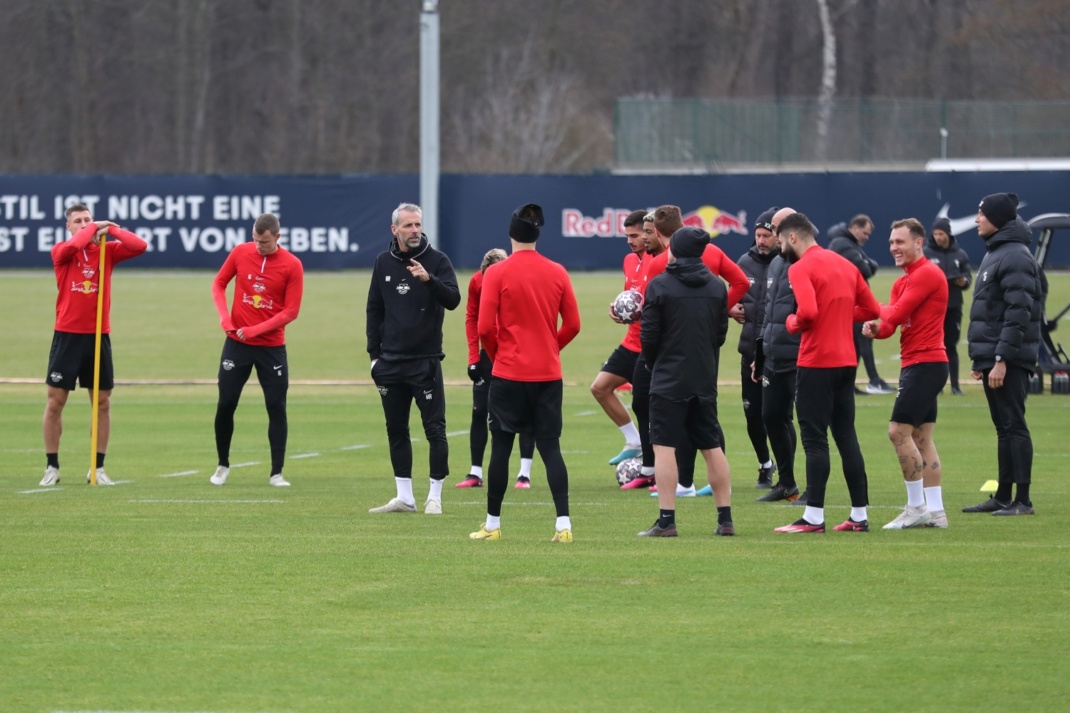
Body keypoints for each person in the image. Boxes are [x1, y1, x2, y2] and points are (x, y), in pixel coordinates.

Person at [471, 204, 581, 542]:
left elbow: (484, 327)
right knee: (550, 448)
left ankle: (492, 525)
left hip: (508, 374)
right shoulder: (558, 271)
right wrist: (549, 348)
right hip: (548, 374)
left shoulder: (496, 273)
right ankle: (563, 526)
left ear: (511, 234)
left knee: (501, 448)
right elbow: (574, 325)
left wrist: (499, 353)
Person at [628, 205, 749, 498]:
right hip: (705, 346)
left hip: (670, 351)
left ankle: (680, 487)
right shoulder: (714, 254)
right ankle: (717, 493)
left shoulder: (659, 266)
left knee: (668, 418)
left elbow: (650, 316)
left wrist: (630, 317)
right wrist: (717, 311)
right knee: (706, 415)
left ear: (656, 232)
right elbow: (741, 282)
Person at [773, 212, 881, 534]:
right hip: (847, 362)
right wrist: (841, 313)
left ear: (793, 237)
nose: (780, 249)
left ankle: (813, 517)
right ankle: (859, 516)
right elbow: (873, 310)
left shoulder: (800, 267)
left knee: (814, 440)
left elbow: (806, 313)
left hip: (816, 362)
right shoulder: (845, 265)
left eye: (780, 242)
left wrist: (790, 322)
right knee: (846, 436)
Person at [39, 204, 147, 487]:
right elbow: (75, 243)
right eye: (78, 220)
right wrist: (92, 228)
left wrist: (111, 229)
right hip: (67, 335)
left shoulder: (106, 252)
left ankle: (96, 468)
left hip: (98, 335)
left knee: (101, 403)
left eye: (88, 219)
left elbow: (140, 245)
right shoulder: (62, 252)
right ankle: (52, 467)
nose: (85, 224)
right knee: (55, 403)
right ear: (68, 226)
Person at [637, 227, 733, 537]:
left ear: (674, 251)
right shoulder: (718, 287)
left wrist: (655, 364)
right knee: (711, 445)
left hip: (668, 377)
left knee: (664, 446)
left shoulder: (660, 285)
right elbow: (720, 335)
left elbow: (649, 336)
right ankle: (725, 519)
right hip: (703, 376)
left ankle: (667, 520)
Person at [366, 203, 461, 514]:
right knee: (396, 429)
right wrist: (374, 358)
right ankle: (405, 497)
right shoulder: (383, 262)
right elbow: (374, 310)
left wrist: (428, 279)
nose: (415, 230)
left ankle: (435, 495)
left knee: (435, 429)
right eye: (408, 226)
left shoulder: (438, 260)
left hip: (426, 361)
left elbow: (453, 300)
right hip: (390, 364)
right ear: (395, 230)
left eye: (418, 225)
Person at [861, 218, 950, 529]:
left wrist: (866, 303)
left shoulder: (927, 273)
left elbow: (895, 313)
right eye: (891, 243)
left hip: (925, 364)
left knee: (898, 432)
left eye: (900, 242)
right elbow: (892, 324)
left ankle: (916, 507)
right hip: (919, 363)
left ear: (918, 242)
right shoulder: (903, 281)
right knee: (921, 438)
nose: (893, 248)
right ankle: (936, 513)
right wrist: (876, 327)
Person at [209, 213, 304, 487]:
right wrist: (224, 318)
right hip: (236, 345)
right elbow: (218, 284)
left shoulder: (292, 265)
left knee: (276, 407)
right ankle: (222, 465)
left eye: (263, 242)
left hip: (271, 348)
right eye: (255, 240)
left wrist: (255, 330)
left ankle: (276, 473)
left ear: (277, 237)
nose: (258, 246)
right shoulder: (240, 252)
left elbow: (291, 311)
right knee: (226, 404)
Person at [963, 192, 1043, 516]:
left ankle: (1022, 501)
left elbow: (1018, 312)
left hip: (1007, 359)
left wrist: (1001, 359)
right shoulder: (998, 252)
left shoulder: (1015, 256)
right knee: (1003, 427)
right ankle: (1003, 496)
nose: (976, 219)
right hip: (995, 357)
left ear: (997, 218)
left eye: (981, 213)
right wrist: (983, 359)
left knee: (1014, 424)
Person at [457, 248, 537, 489]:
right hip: (488, 354)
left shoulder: (520, 280)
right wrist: (473, 357)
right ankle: (475, 473)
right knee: (480, 410)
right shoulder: (477, 282)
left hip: (516, 353)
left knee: (524, 411)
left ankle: (524, 474)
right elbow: (472, 318)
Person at [756, 206, 804, 504]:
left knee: (810, 423)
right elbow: (767, 313)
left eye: (775, 229)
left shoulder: (809, 262)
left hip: (801, 356)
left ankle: (810, 489)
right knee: (771, 417)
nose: (772, 236)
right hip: (773, 357)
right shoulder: (774, 265)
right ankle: (786, 483)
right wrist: (760, 354)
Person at [729, 207, 779, 490]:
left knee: (777, 415)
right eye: (758, 235)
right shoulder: (743, 262)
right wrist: (729, 308)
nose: (761, 241)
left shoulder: (786, 264)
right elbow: (726, 296)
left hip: (775, 353)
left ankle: (786, 472)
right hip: (749, 350)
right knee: (752, 414)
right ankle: (764, 464)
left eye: (766, 236)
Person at [594, 209, 647, 466]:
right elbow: (631, 298)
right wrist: (617, 309)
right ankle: (634, 441)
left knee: (646, 406)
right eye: (627, 235)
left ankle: (656, 465)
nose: (630, 240)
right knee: (600, 388)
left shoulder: (658, 260)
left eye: (634, 235)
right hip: (630, 343)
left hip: (649, 346)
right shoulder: (628, 261)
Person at [619, 211, 665, 491]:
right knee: (636, 401)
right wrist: (622, 310)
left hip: (661, 345)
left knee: (692, 414)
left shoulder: (663, 262)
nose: (637, 240)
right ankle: (647, 464)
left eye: (642, 233)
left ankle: (682, 477)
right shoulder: (631, 260)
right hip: (637, 342)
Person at [827, 214, 895, 394]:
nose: (866, 237)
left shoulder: (848, 244)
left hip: (851, 300)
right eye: (865, 233)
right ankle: (872, 381)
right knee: (862, 339)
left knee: (857, 343)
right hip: (850, 301)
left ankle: (850, 384)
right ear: (855, 228)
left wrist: (867, 263)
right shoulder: (842, 244)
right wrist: (867, 263)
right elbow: (866, 268)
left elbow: (870, 265)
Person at [923, 217, 972, 395]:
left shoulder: (960, 254)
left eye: (941, 234)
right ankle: (937, 387)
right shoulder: (926, 253)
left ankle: (955, 386)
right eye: (935, 234)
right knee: (935, 347)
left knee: (951, 346)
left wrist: (963, 282)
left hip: (953, 307)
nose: (938, 237)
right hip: (933, 309)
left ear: (948, 234)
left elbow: (968, 278)